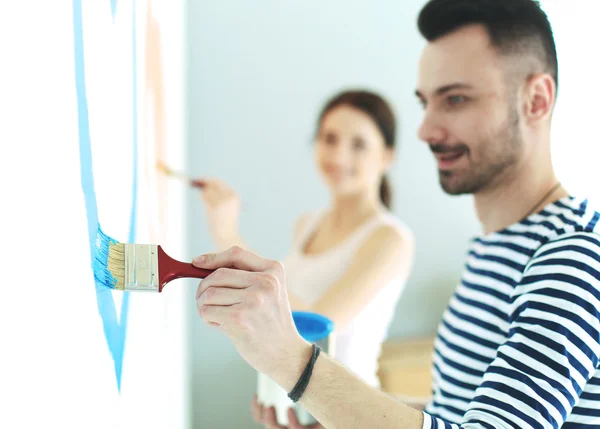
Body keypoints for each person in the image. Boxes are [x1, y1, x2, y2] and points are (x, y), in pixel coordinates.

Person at [193, 0, 600, 427]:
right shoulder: (497, 247)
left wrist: (294, 363)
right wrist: (333, 416)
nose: (425, 129)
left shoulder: (573, 259)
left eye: (456, 99)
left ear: (536, 100)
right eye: (425, 102)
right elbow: (456, 410)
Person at [196, 91, 415, 426]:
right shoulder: (306, 225)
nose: (339, 155)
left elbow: (316, 326)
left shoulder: (390, 239)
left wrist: (229, 238)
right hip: (292, 408)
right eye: (329, 138)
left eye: (358, 144)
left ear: (387, 156)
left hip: (346, 415)